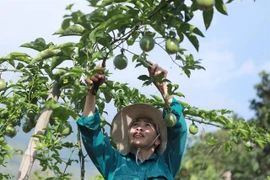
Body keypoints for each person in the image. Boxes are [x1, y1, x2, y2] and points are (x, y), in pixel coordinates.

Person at [77, 62, 187, 180]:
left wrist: (163, 88)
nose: (139, 128)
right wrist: (91, 91)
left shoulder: (167, 163)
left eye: (147, 125)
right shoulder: (114, 163)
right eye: (135, 125)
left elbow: (178, 129)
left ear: (158, 140)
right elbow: (91, 133)